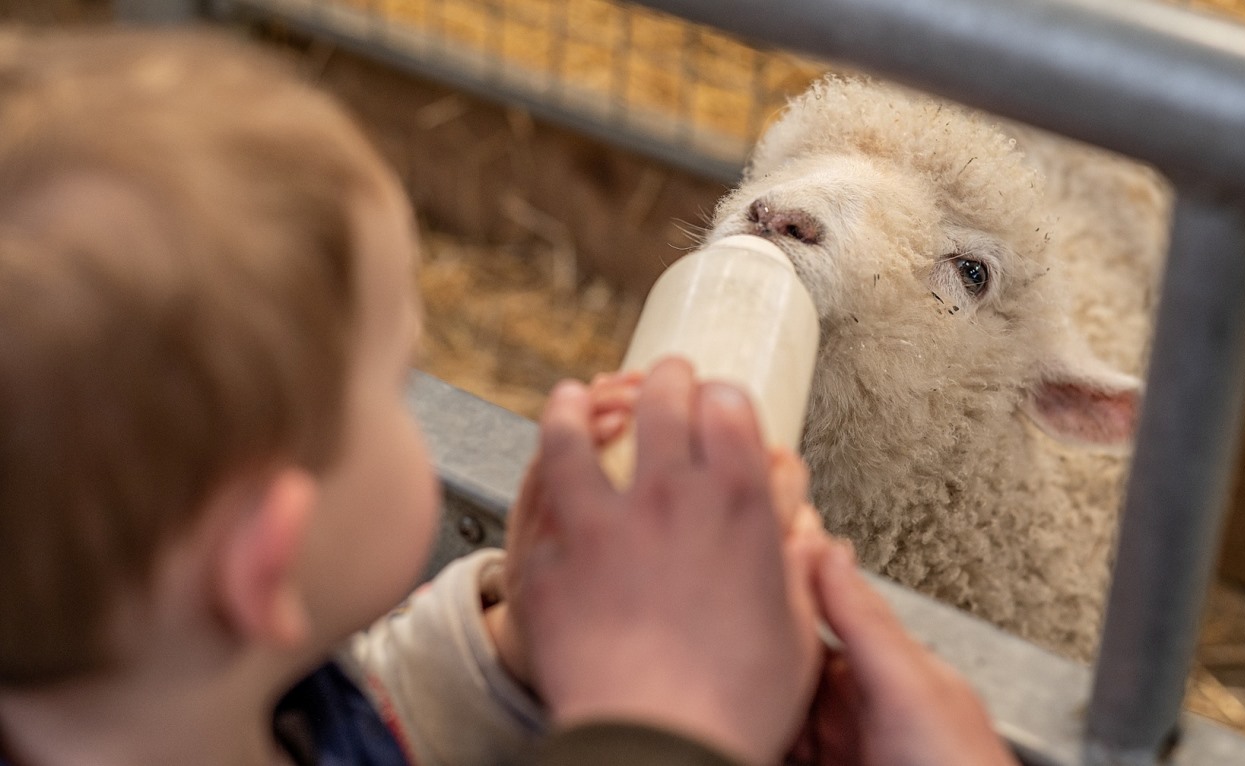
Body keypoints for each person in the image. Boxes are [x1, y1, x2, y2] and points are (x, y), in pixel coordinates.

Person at [0, 24, 1015, 766]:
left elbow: (358, 720)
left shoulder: (180, 702)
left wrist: (500, 657)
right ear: (267, 559)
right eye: (398, 385)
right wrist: (662, 717)